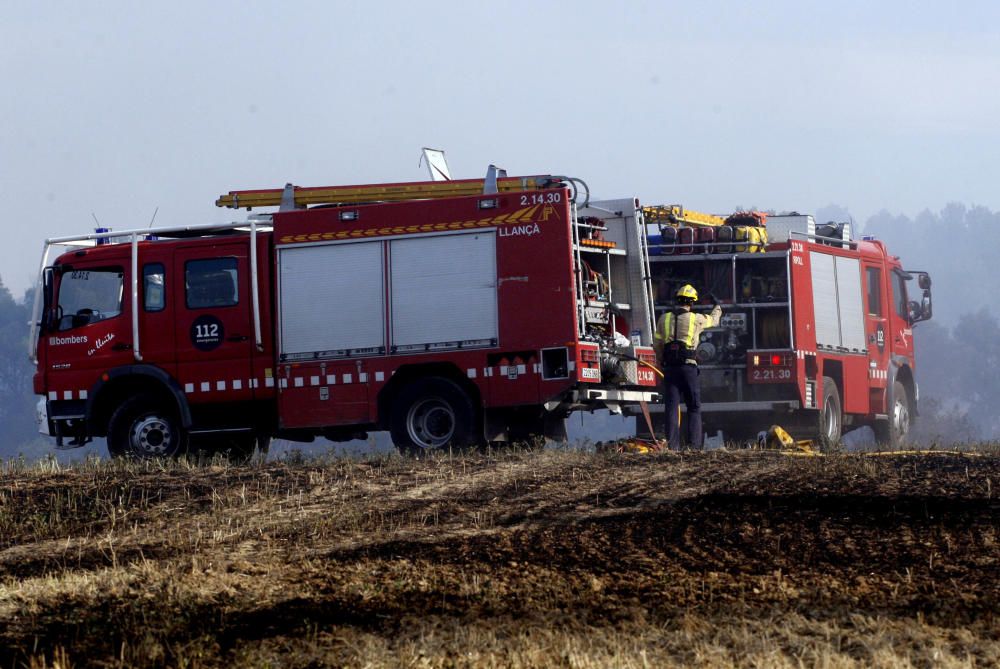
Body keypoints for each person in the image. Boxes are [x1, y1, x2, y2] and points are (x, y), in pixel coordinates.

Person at [653, 284, 722, 449]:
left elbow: (657, 344)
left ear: (677, 300)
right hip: (688, 367)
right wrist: (717, 307)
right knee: (693, 406)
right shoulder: (695, 318)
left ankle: (673, 447)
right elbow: (714, 321)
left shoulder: (664, 318)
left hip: (670, 368)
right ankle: (694, 446)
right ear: (692, 302)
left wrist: (663, 361)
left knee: (671, 407)